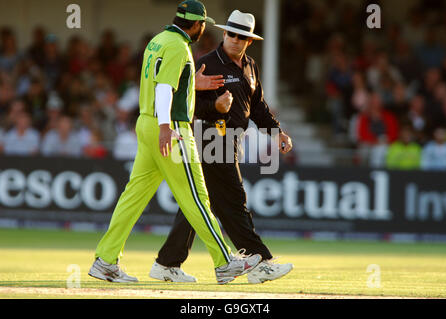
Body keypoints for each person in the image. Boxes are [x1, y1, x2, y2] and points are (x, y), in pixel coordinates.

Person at [88, 0, 261, 285]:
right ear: (197, 25)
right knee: (197, 197)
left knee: (133, 198)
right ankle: (225, 261)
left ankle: (105, 260)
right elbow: (166, 89)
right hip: (171, 127)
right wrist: (167, 127)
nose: (202, 30)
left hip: (146, 123)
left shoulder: (157, 41)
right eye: (202, 25)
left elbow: (162, 81)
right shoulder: (179, 47)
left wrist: (193, 83)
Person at [150, 10, 294, 285]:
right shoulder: (205, 64)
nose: (235, 40)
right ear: (225, 34)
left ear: (249, 41)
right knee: (233, 201)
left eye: (242, 37)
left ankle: (167, 263)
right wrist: (213, 107)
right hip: (208, 138)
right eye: (231, 34)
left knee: (199, 205)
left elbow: (258, 108)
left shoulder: (250, 65)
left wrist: (277, 133)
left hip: (231, 141)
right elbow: (184, 106)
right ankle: (259, 261)